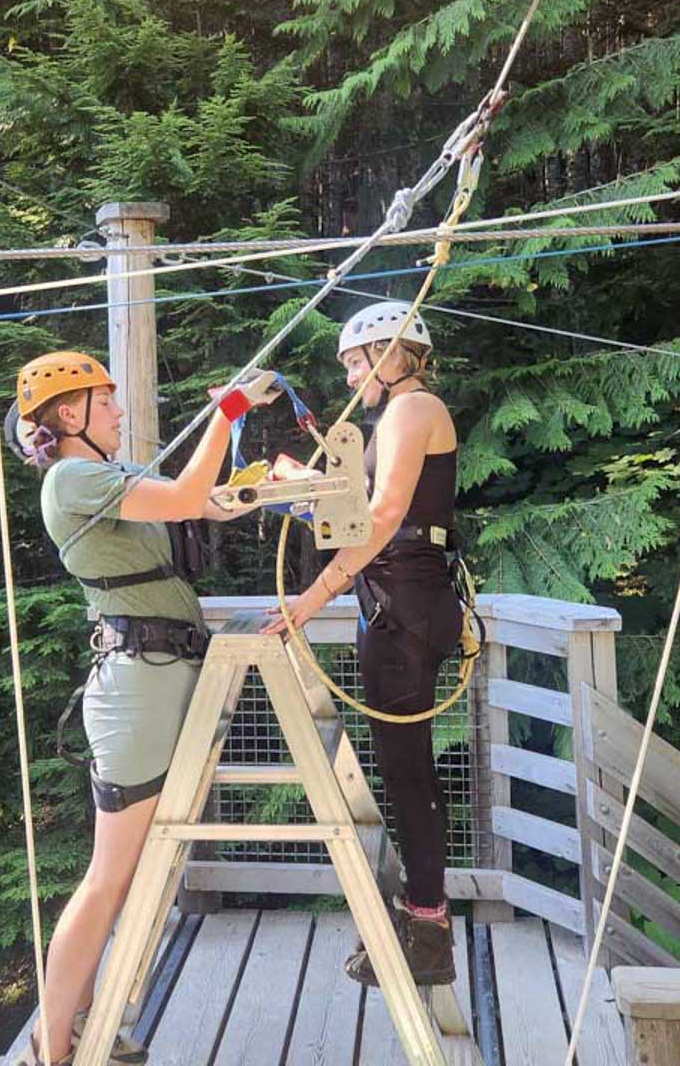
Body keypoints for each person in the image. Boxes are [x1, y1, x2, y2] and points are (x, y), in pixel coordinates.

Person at [12, 350, 281, 1066]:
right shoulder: (74, 478)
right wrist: (226, 414)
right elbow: (190, 494)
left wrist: (262, 484)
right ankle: (52, 1041)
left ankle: (86, 1019)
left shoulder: (106, 476)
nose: (120, 411)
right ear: (69, 415)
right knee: (109, 879)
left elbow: (206, 499)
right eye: (106, 401)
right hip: (140, 686)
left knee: (128, 875)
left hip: (162, 675)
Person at [263, 301, 462, 987]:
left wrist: (307, 602)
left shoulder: (412, 410)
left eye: (355, 363)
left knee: (407, 772)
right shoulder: (396, 418)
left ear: (392, 352)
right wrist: (303, 491)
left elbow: (380, 519)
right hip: (396, 603)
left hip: (403, 605)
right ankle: (418, 923)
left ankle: (427, 933)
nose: (349, 379)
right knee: (402, 768)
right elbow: (365, 516)